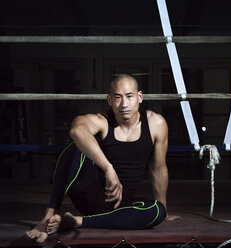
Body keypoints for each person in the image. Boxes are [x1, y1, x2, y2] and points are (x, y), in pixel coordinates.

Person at [26, 74, 179, 243]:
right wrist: (108, 168)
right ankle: (49, 214)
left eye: (129, 96)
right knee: (76, 143)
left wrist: (164, 207)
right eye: (117, 98)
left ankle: (76, 221)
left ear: (139, 97)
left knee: (157, 211)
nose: (124, 104)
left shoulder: (156, 124)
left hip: (120, 205)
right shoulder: (101, 121)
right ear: (109, 100)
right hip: (87, 194)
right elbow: (77, 131)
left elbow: (158, 168)